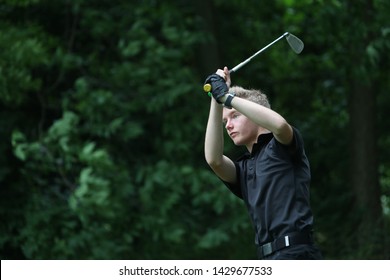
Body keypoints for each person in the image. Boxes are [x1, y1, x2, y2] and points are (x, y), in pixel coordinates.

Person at [204, 67, 323, 260]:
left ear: (255, 114)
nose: (228, 125)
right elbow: (213, 159)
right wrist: (215, 99)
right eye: (225, 121)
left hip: (296, 254)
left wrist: (227, 97)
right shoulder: (243, 168)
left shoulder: (281, 147)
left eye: (235, 116)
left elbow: (279, 125)